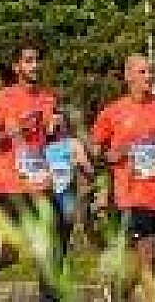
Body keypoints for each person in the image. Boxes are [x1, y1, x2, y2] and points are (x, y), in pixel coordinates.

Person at [91, 55, 155, 302]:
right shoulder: (113, 112)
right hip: (130, 197)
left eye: (151, 72)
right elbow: (95, 149)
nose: (149, 76)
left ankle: (115, 293)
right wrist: (112, 155)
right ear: (128, 76)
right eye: (143, 72)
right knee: (147, 258)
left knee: (147, 261)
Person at [0, 42, 60, 302]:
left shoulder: (48, 99)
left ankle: (47, 297)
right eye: (29, 61)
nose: (35, 66)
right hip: (7, 184)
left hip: (38, 182)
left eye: (37, 60)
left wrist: (56, 130)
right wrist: (18, 128)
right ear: (16, 67)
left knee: (49, 242)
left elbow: (48, 140)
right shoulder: (1, 99)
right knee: (10, 253)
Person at [44, 108, 93, 259]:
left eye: (59, 122)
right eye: (53, 123)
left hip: (68, 189)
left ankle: (65, 256)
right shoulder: (43, 145)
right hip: (48, 191)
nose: (56, 126)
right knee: (52, 228)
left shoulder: (73, 143)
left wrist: (78, 163)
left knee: (67, 223)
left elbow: (88, 168)